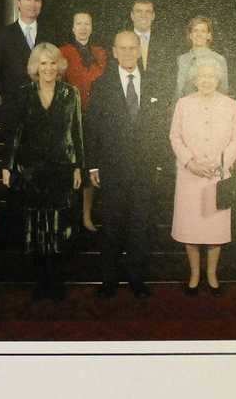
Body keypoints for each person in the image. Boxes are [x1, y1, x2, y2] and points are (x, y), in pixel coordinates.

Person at [84, 31, 170, 299]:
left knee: (140, 226)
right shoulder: (101, 84)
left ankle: (136, 279)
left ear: (140, 49)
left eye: (134, 47)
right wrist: (93, 165)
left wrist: (159, 163)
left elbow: (161, 128)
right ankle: (108, 280)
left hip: (145, 169)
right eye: (124, 48)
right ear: (115, 51)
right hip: (112, 168)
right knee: (111, 226)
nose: (129, 52)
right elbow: (93, 127)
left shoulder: (156, 83)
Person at [0, 43, 83, 301]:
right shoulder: (23, 93)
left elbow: (77, 131)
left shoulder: (72, 93)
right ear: (35, 67)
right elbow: (14, 133)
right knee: (35, 224)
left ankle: (56, 279)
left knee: (59, 224)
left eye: (52, 63)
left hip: (61, 167)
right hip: (31, 169)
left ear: (60, 66)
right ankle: (40, 280)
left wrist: (78, 165)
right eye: (43, 63)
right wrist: (7, 166)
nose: (48, 68)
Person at [169, 58, 236, 296]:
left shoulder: (231, 105)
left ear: (218, 79)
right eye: (202, 76)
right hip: (190, 175)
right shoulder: (183, 104)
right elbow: (175, 137)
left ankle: (211, 275)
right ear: (194, 79)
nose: (207, 81)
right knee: (191, 228)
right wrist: (190, 162)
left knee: (214, 230)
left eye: (211, 76)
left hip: (218, 175)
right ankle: (194, 275)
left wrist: (221, 164)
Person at [59, 11, 108, 232]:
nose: (83, 28)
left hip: (95, 119)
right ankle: (69, 215)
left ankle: (86, 216)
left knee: (90, 167)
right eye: (78, 23)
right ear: (72, 27)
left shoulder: (100, 53)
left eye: (87, 24)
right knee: (72, 165)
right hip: (71, 118)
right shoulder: (64, 52)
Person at [0, 0, 55, 136]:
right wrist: (14, 98)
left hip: (45, 110)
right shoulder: (2, 36)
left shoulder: (52, 34)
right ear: (18, 2)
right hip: (14, 111)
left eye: (37, 0)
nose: (32, 5)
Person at [175, 16, 228, 99]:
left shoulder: (218, 59)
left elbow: (223, 90)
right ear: (190, 35)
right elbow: (177, 91)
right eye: (195, 30)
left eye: (203, 31)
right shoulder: (181, 59)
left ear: (209, 35)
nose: (199, 34)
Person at [129, 0, 174, 90]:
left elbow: (168, 77)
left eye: (148, 12)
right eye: (139, 11)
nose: (143, 15)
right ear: (132, 16)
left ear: (153, 16)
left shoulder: (166, 43)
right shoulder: (121, 41)